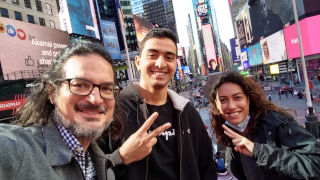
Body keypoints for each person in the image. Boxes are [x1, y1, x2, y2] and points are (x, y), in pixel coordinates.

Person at [0, 42, 171, 180]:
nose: (95, 99)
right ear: (52, 93)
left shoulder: (99, 165)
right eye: (80, 85)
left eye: (105, 88)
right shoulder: (17, 150)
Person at [103, 28, 217, 180]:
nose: (160, 63)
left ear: (175, 64)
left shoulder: (187, 111)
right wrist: (121, 157)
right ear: (138, 62)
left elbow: (207, 166)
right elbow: (89, 170)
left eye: (169, 58)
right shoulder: (113, 109)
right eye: (153, 55)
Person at [209, 71, 320, 180]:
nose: (231, 106)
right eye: (223, 100)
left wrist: (258, 151)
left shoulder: (277, 123)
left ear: (248, 99)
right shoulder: (229, 133)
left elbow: (316, 166)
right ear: (216, 105)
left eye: (237, 97)